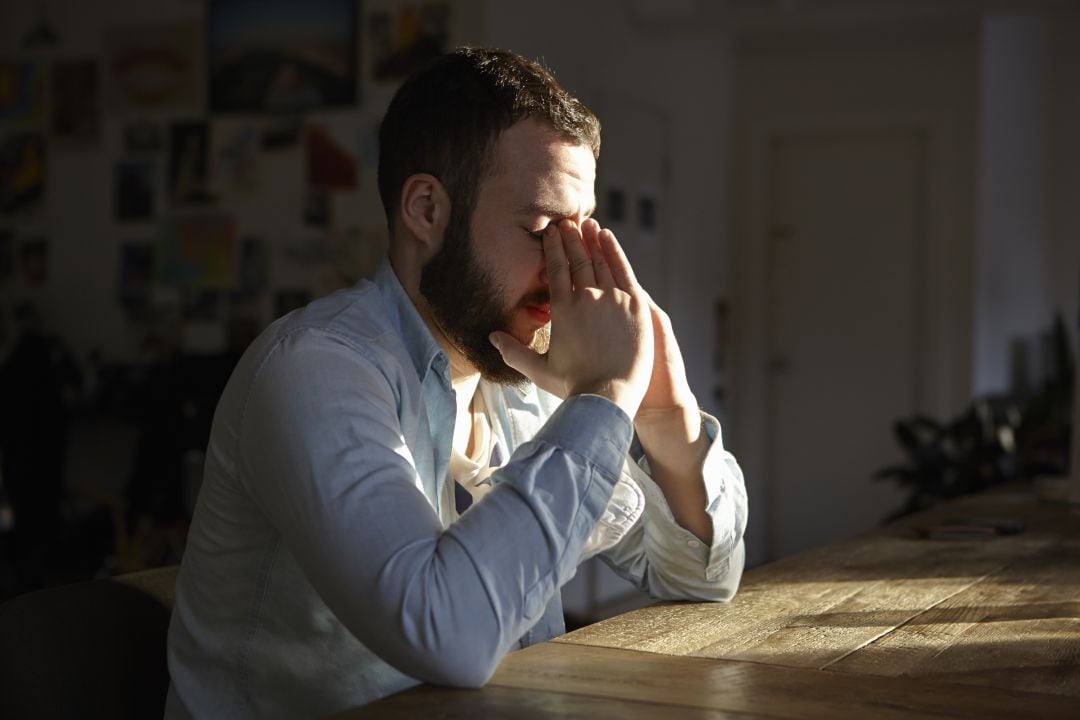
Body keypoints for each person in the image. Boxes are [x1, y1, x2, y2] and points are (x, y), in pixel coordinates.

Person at [165, 47, 747, 719]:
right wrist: (604, 398)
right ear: (426, 210)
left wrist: (665, 417)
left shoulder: (523, 374)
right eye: (540, 230)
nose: (568, 269)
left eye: (579, 234)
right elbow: (446, 634)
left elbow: (700, 577)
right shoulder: (313, 371)